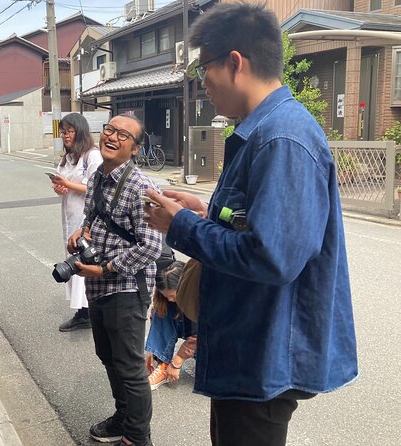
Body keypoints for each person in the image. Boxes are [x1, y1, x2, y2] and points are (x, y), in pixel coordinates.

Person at [143, 4, 358, 446]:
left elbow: (271, 256)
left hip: (265, 354)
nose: (202, 86)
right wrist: (204, 212)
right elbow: (255, 225)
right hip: (252, 348)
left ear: (235, 63)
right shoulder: (266, 131)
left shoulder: (282, 138)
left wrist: (181, 225)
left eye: (204, 69)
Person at [68, 114, 162, 446]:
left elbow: (151, 245)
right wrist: (82, 231)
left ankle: (137, 437)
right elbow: (92, 217)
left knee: (130, 366)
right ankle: (124, 418)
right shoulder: (96, 177)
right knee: (109, 358)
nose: (113, 137)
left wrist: (107, 268)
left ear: (135, 149)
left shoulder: (142, 186)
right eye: (109, 130)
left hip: (125, 287)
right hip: (97, 286)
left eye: (123, 135)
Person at [52, 113, 103, 332]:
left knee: (83, 261)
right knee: (74, 260)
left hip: (86, 218)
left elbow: (96, 187)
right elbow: (65, 185)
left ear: (80, 131)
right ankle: (87, 311)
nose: (65, 136)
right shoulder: (68, 157)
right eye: (63, 132)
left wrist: (68, 185)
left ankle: (86, 313)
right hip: (69, 215)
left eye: (69, 131)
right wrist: (59, 188)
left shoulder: (92, 156)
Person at [144, 260, 197, 391]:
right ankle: (162, 366)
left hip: (218, 342)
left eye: (173, 296)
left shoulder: (203, 295)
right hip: (189, 327)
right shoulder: (166, 299)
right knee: (161, 310)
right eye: (165, 296)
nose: (170, 299)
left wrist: (177, 361)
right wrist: (154, 352)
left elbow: (202, 335)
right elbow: (157, 321)